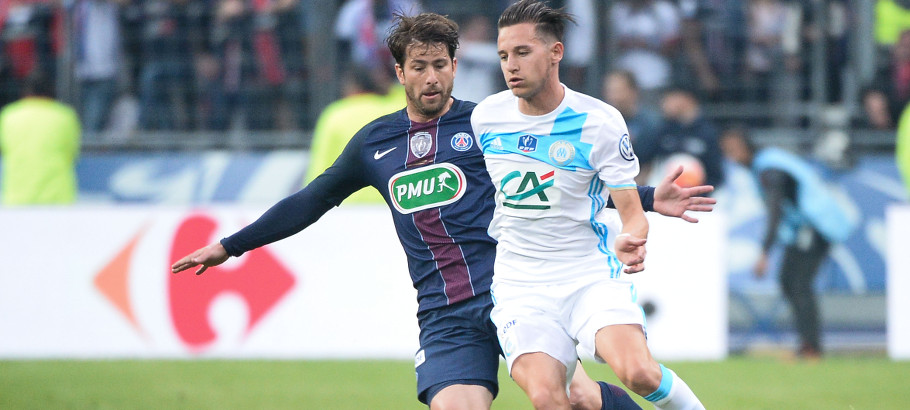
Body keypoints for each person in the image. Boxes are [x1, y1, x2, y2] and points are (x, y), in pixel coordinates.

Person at [172, 12, 715, 409]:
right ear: (399, 72)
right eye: (419, 67)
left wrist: (644, 199)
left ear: (455, 67)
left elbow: (561, 180)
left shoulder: (491, 124)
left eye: (440, 65)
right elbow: (311, 200)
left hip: (510, 289)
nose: (431, 77)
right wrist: (230, 245)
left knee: (573, 400)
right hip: (445, 313)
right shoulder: (374, 145)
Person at [471, 1, 705, 409]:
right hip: (519, 284)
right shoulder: (487, 117)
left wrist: (632, 238)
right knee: (549, 399)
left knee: (638, 372)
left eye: (523, 52)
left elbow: (629, 209)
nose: (511, 65)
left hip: (588, 274)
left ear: (556, 52)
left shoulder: (598, 122)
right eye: (504, 55)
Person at [719, 126, 856, 359]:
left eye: (732, 150)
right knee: (790, 282)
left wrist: (764, 252)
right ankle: (808, 344)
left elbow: (775, 212)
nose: (730, 157)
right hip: (806, 227)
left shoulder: (769, 169)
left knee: (798, 284)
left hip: (816, 226)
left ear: (744, 146)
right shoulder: (766, 163)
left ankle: (811, 348)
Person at [303, 65, 402, 204]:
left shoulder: (335, 114)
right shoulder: (397, 110)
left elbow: (319, 168)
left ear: (351, 86)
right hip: (393, 205)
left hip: (348, 209)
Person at [0, 72, 81, 205]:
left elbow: (4, 151)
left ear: (26, 93)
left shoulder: (9, 116)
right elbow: (71, 155)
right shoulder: (65, 116)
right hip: (58, 198)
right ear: (52, 92)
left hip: (17, 198)